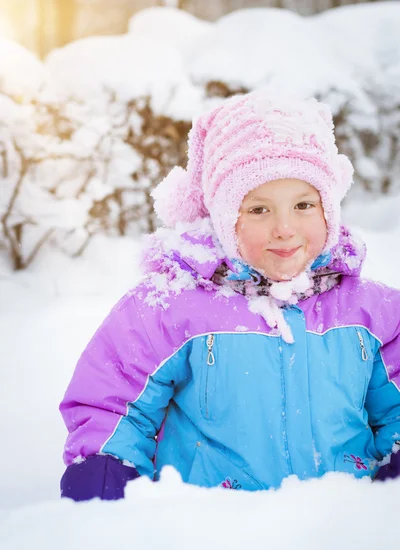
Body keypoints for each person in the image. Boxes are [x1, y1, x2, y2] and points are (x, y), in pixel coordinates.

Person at [60, 91, 400, 501]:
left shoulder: (373, 313)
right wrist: (106, 471)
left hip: (337, 527)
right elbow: (112, 402)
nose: (285, 228)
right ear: (224, 218)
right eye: (259, 210)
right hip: (212, 532)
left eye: (304, 204)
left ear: (329, 208)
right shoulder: (170, 306)